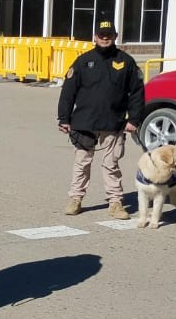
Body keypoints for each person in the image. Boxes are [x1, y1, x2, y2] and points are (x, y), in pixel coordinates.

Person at [57, 19, 145, 219]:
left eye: (109, 35)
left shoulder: (126, 62)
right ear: (95, 37)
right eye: (101, 35)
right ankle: (75, 199)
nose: (105, 38)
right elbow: (68, 91)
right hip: (84, 123)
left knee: (111, 165)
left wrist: (134, 119)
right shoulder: (83, 61)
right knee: (82, 163)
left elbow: (138, 93)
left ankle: (115, 203)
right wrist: (64, 118)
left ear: (115, 36)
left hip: (113, 123)